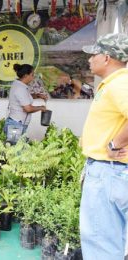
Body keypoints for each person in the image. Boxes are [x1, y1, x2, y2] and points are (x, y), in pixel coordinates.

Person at [79, 33, 128, 259]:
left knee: (101, 242)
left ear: (107, 58)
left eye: (94, 54)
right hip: (109, 171)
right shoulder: (115, 83)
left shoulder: (119, 83)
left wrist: (115, 142)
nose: (90, 59)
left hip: (108, 172)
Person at [4, 63, 47, 135]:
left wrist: (38, 95)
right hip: (16, 125)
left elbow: (25, 98)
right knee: (15, 145)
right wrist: (41, 108)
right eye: (32, 75)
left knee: (17, 145)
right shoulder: (20, 88)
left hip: (17, 123)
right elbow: (28, 109)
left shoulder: (19, 85)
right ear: (25, 76)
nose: (33, 77)